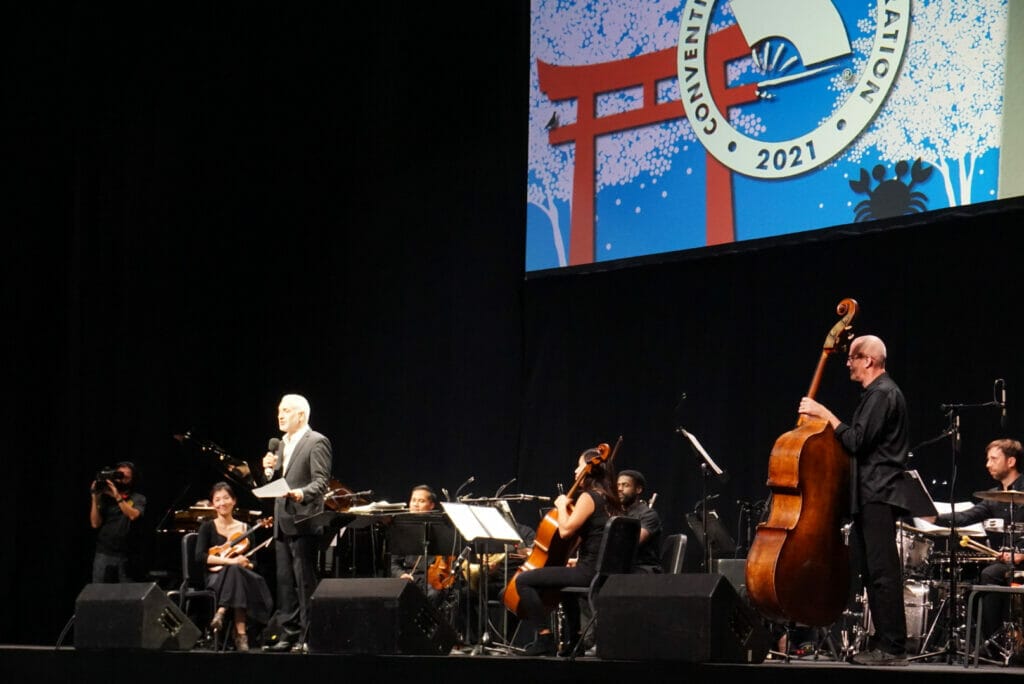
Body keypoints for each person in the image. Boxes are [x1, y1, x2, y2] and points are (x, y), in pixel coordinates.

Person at [798, 334, 913, 666]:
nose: (847, 362)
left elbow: (857, 441)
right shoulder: (877, 394)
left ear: (869, 360)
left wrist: (825, 415)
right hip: (869, 493)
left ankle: (892, 648)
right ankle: (883, 643)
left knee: (882, 572)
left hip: (878, 493)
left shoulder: (883, 394)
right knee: (869, 571)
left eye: (852, 357)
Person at [505, 447, 623, 656]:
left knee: (524, 580)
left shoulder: (589, 497)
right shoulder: (611, 500)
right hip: (603, 571)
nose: (575, 472)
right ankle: (575, 639)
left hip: (589, 572)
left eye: (578, 467)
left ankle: (544, 638)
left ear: (589, 470)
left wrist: (561, 505)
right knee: (563, 583)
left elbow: (566, 530)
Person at [924, 438, 1024, 650]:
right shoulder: (994, 497)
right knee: (975, 577)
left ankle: (995, 645)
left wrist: (1022, 554)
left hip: (1019, 561)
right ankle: (986, 643)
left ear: (1011, 461)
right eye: (988, 459)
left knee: (989, 574)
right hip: (1006, 562)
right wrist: (932, 516)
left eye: (993, 459)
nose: (988, 464)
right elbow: (964, 517)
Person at [260, 393, 332, 652]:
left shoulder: (316, 441)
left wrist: (301, 493)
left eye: (286, 410)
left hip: (303, 520)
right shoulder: (280, 444)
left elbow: (321, 482)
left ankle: (308, 635)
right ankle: (288, 634)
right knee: (284, 580)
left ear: (301, 415)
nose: (280, 414)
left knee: (304, 580)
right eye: (279, 410)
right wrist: (268, 469)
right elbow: (276, 480)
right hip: (282, 520)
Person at [195, 482, 274, 651]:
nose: (222, 503)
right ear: (212, 504)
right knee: (234, 569)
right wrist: (231, 561)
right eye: (217, 499)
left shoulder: (246, 528)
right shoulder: (207, 527)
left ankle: (221, 611)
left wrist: (246, 563)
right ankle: (241, 634)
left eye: (226, 498)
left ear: (234, 501)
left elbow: (254, 563)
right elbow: (200, 557)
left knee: (237, 571)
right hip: (215, 578)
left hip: (240, 577)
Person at [89, 461, 146, 583]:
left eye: (126, 476)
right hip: (104, 552)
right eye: (120, 475)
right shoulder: (106, 498)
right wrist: (95, 498)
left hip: (126, 555)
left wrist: (117, 496)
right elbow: (95, 523)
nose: (122, 478)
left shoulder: (138, 498)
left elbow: (133, 515)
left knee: (125, 594)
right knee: (99, 592)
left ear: (132, 479)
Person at [390, 485, 444, 605]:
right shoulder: (401, 530)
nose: (416, 504)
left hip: (431, 580)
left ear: (431, 506)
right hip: (410, 578)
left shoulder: (441, 529)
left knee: (433, 594)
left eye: (421, 501)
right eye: (413, 500)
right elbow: (393, 564)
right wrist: (401, 575)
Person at [617, 469, 663, 573]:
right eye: (618, 485)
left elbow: (631, 544)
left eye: (625, 485)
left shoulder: (648, 514)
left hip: (643, 569)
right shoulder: (617, 513)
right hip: (624, 567)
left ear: (638, 489)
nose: (620, 489)